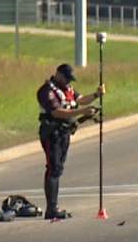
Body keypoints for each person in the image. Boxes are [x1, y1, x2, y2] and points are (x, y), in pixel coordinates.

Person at [37, 64, 104, 220]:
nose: (68, 82)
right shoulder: (47, 91)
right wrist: (82, 112)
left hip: (64, 133)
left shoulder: (68, 89)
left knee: (58, 168)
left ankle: (54, 207)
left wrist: (96, 94)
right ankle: (51, 209)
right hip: (51, 133)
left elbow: (81, 100)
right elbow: (57, 112)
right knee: (53, 168)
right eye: (66, 78)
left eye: (70, 79)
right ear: (58, 74)